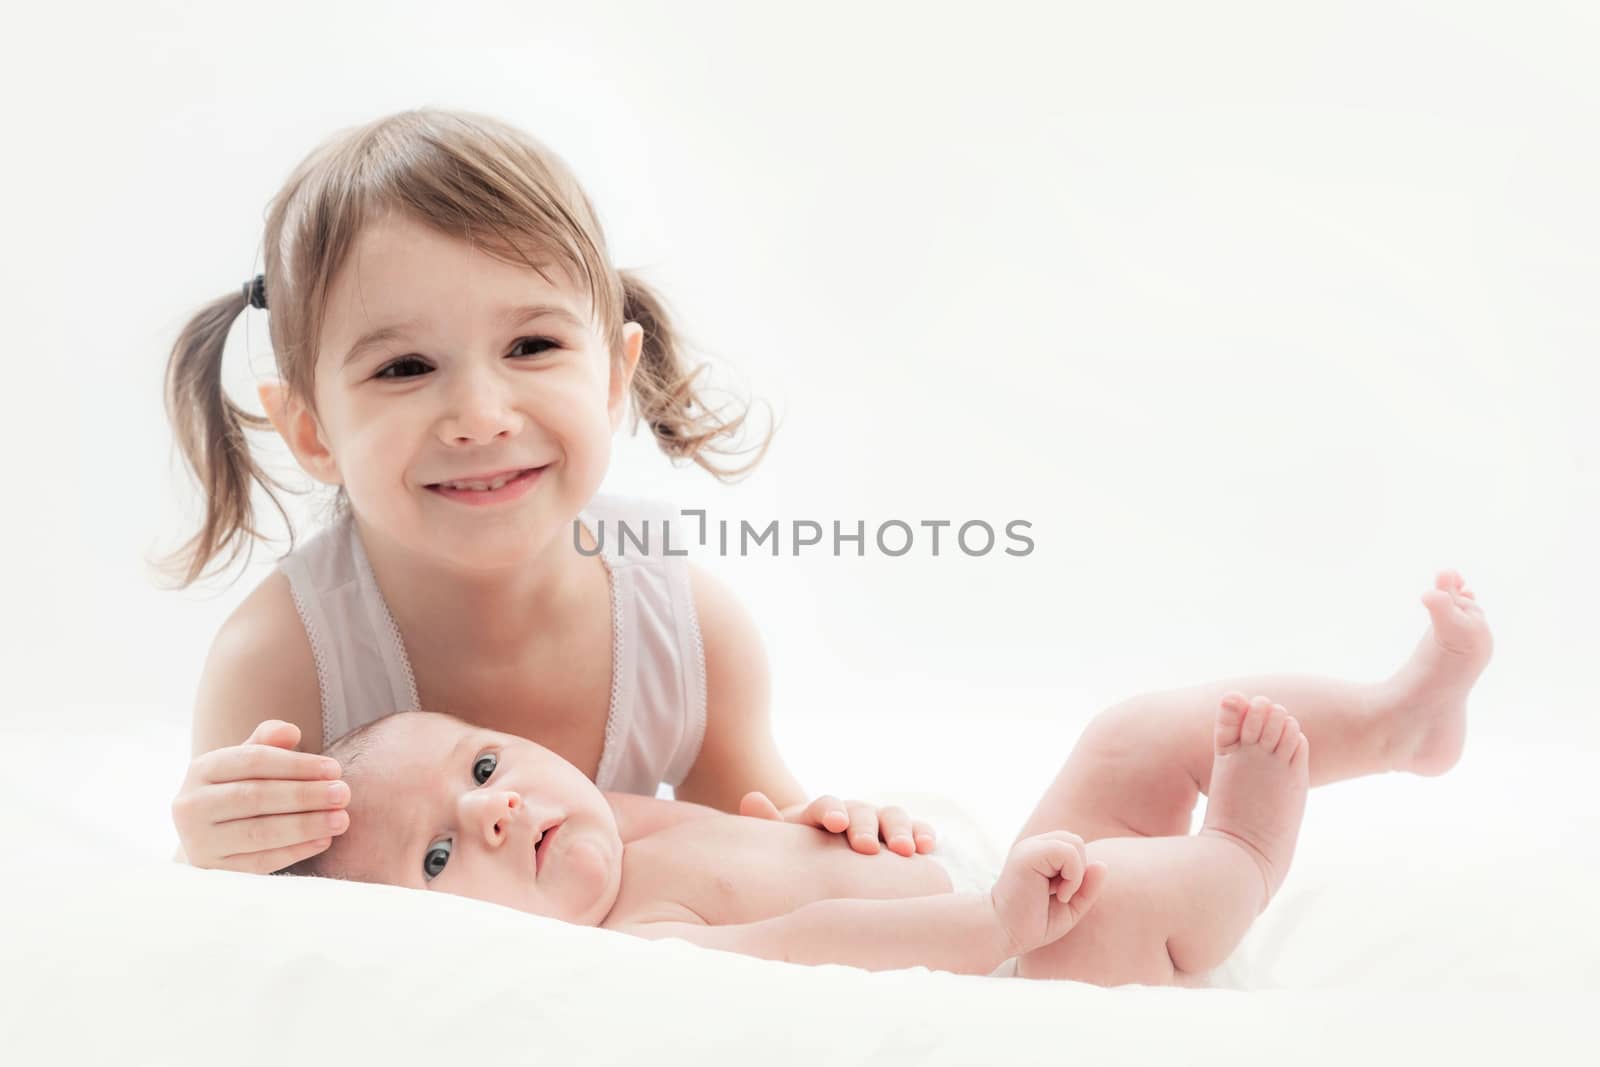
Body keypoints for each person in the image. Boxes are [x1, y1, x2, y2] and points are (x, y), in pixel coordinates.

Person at [162, 107, 940, 874]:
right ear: (311, 431)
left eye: (531, 346)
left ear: (612, 375)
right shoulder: (284, 663)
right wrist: (213, 852)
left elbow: (760, 854)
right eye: (404, 367)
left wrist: (840, 839)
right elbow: (235, 934)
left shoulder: (687, 635)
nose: (481, 417)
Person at [284, 573, 1492, 986]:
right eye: (440, 853)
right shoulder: (628, 943)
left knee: (1131, 734)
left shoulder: (622, 817)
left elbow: (786, 855)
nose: (491, 804)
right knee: (1123, 889)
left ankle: (1397, 722)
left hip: (1005, 886)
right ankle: (1241, 856)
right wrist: (984, 919)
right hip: (1027, 949)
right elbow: (810, 941)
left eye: (482, 763)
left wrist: (822, 818)